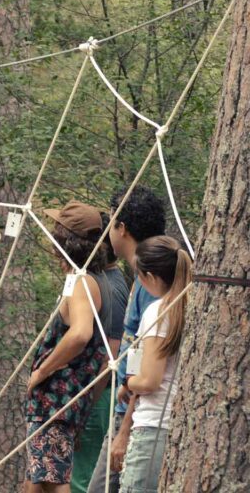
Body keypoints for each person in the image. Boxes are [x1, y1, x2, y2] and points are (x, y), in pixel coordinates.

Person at [25, 201, 116, 493]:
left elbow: (80, 334)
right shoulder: (100, 280)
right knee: (38, 479)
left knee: (53, 481)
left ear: (63, 241)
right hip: (65, 401)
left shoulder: (82, 281)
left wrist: (43, 371)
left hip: (57, 398)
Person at [89, 186, 167, 493]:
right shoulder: (142, 278)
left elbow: (148, 360)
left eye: (111, 222)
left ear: (122, 228)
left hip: (138, 419)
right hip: (132, 416)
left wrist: (124, 431)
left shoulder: (152, 283)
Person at [114, 236, 190, 493]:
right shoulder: (187, 306)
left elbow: (149, 380)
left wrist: (128, 382)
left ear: (150, 277)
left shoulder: (159, 311)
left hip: (153, 426)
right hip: (176, 427)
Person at [69, 213, 131, 493]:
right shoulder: (97, 278)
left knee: (82, 481)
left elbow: (112, 352)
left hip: (98, 397)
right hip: (91, 395)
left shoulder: (111, 284)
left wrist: (84, 406)